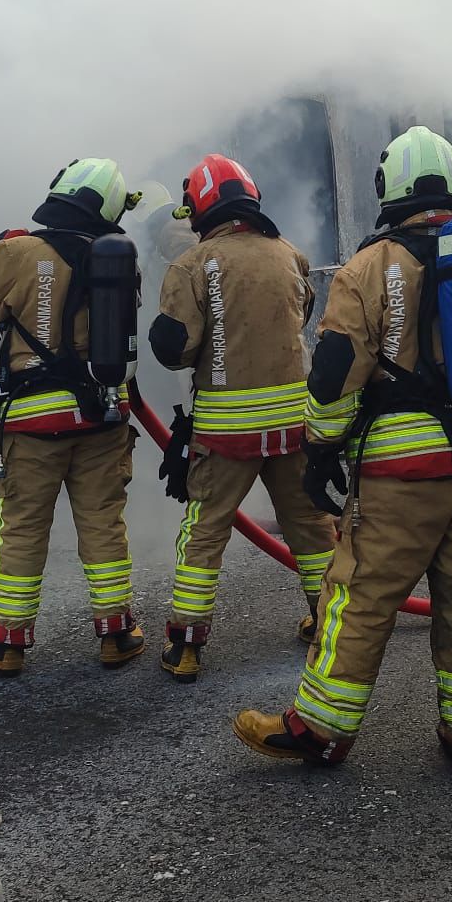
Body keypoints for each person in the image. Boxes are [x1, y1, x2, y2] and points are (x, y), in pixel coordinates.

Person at [232, 125, 452, 773]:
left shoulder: (368, 270)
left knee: (359, 595)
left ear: (390, 190)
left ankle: (320, 729)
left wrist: (321, 450)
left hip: (403, 475)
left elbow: (334, 377)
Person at [146, 154, 337, 682]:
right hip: (294, 426)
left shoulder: (191, 265)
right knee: (312, 526)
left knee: (205, 531)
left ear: (200, 208)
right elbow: (302, 314)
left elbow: (176, 351)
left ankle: (186, 645)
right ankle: (328, 624)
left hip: (227, 432)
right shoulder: (290, 254)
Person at [0, 158, 150, 675]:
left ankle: (7, 643)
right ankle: (116, 634)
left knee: (22, 528)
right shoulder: (119, 260)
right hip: (102, 417)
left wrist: (0, 253)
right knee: (103, 523)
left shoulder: (18, 251)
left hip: (32, 422)